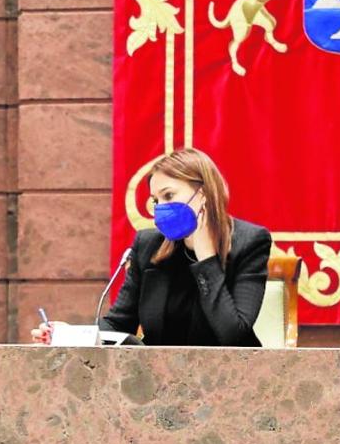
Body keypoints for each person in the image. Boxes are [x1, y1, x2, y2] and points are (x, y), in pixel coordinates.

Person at [33, 148, 271, 347]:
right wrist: (70, 335)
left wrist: (206, 258)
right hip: (158, 383)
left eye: (169, 195)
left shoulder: (249, 242)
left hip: (230, 384)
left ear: (203, 194)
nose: (160, 208)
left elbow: (233, 336)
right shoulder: (148, 245)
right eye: (156, 200)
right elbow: (118, 324)